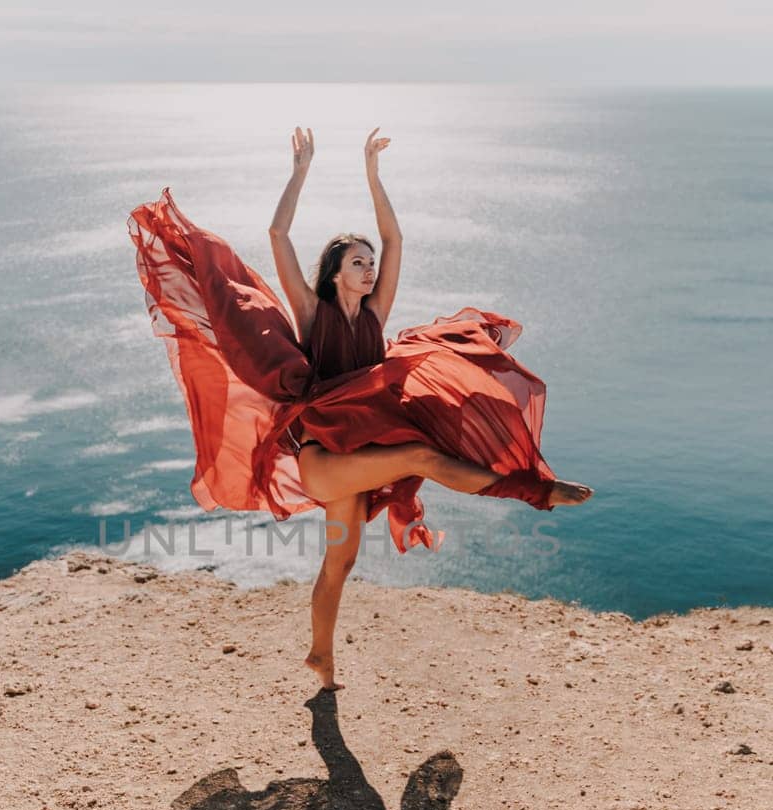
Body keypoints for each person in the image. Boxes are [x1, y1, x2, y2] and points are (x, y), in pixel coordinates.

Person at [127, 126, 593, 692]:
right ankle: (537, 490)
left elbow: (395, 241)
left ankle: (320, 659)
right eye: (357, 262)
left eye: (369, 263)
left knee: (339, 567)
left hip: (361, 457)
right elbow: (278, 233)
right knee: (423, 453)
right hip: (325, 458)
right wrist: (301, 170)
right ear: (334, 272)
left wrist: (373, 174)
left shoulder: (375, 314)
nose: (369, 269)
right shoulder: (311, 311)